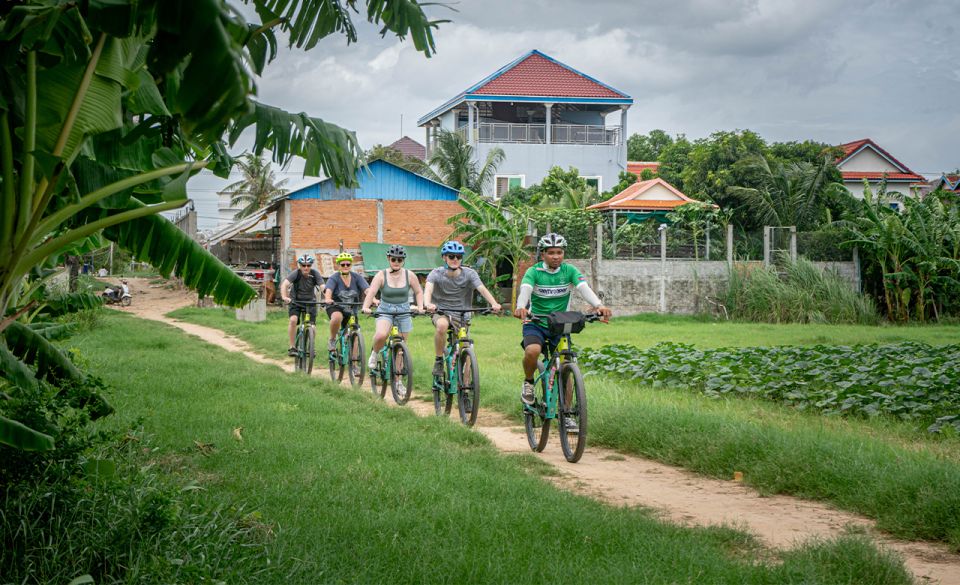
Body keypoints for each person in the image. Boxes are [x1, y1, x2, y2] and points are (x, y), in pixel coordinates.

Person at [513, 233, 611, 428]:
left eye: (559, 252)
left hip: (560, 324)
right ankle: (529, 382)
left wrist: (599, 305)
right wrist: (521, 306)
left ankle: (566, 413)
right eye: (551, 253)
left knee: (567, 365)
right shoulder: (534, 272)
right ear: (543, 255)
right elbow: (525, 289)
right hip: (536, 322)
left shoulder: (569, 271)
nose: (556, 256)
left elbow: (583, 288)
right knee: (532, 351)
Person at [424, 240, 502, 377]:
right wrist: (427, 304)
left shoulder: (469, 274)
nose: (455, 259)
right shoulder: (436, 274)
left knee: (466, 352)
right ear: (444, 257)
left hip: (462, 314)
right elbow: (428, 290)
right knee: (441, 326)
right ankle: (438, 360)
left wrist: (494, 303)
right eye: (451, 256)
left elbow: (482, 289)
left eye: (458, 257)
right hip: (441, 311)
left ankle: (466, 390)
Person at [361, 244, 424, 369]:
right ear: (388, 259)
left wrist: (421, 307)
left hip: (404, 311)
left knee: (401, 349)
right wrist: (366, 307)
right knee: (381, 335)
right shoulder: (381, 275)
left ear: (403, 261)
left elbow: (419, 291)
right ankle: (374, 353)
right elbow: (372, 292)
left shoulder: (410, 275)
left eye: (399, 260)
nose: (396, 262)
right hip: (385, 310)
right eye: (393, 259)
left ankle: (398, 382)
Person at [323, 252, 375, 352]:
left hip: (352, 309)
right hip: (335, 306)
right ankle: (332, 339)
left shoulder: (357, 277)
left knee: (355, 333)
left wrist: (373, 299)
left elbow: (367, 290)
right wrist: (328, 298)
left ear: (351, 265)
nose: (346, 266)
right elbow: (328, 290)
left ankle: (354, 364)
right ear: (338, 266)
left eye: (348, 264)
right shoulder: (334, 277)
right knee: (337, 317)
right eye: (343, 264)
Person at [280, 254, 325, 356]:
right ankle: (292, 347)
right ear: (299, 265)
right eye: (303, 265)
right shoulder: (296, 273)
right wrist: (284, 297)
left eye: (308, 265)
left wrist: (327, 298)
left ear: (311, 266)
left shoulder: (315, 274)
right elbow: (284, 284)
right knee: (293, 320)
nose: (306, 268)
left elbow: (323, 287)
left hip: (310, 303)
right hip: (295, 302)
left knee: (312, 326)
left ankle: (311, 347)